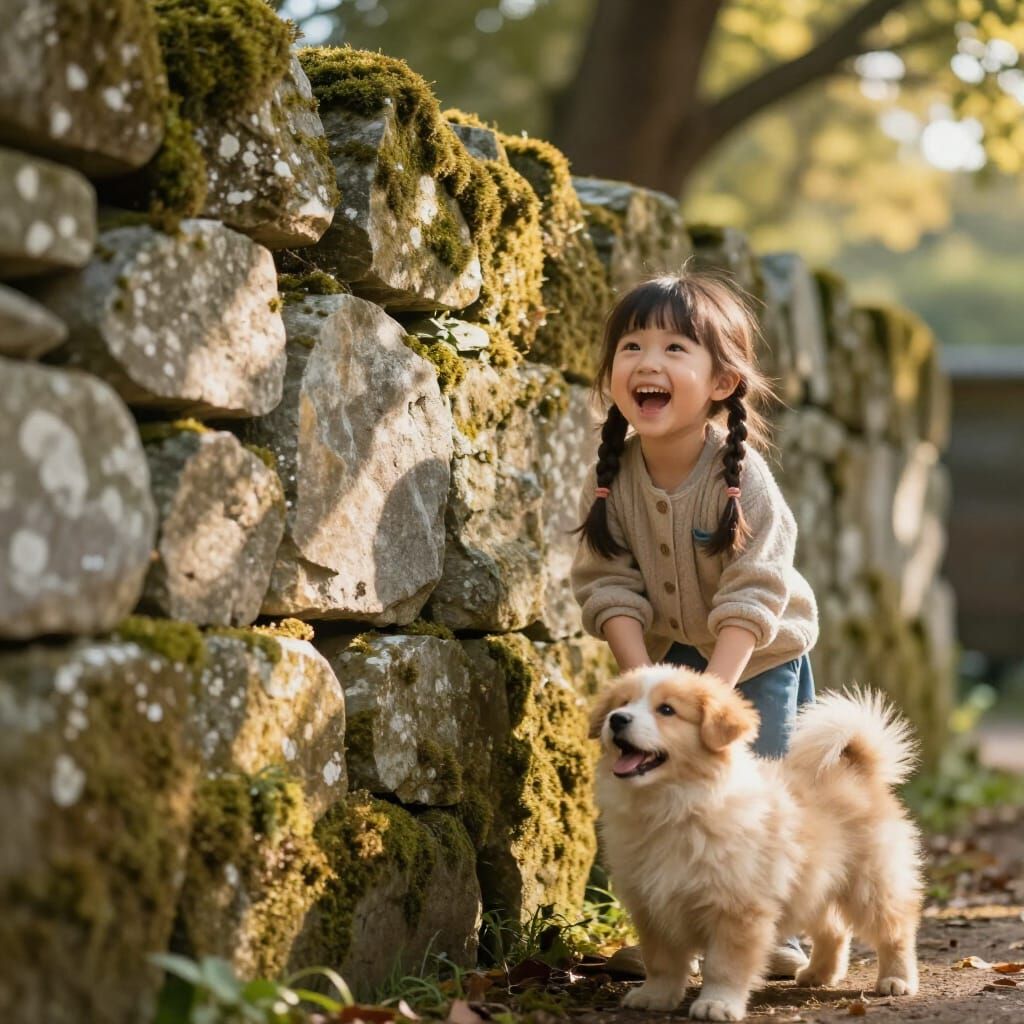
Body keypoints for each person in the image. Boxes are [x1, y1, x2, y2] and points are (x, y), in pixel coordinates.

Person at [570, 267, 819, 979]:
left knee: (759, 797)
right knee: (652, 788)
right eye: (632, 347)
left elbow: (755, 588)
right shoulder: (614, 476)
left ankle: (777, 932)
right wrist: (642, 690)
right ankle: (669, 940)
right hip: (669, 661)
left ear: (721, 382)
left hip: (758, 656)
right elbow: (609, 584)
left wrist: (713, 696)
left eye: (675, 348)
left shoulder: (740, 477)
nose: (648, 362)